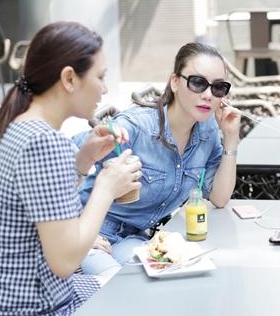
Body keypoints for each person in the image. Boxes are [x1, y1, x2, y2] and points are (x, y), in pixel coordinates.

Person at [0, 21, 142, 316]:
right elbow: (65, 260)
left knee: (124, 286)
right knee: (142, 307)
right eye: (100, 77)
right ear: (69, 78)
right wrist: (106, 188)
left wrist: (84, 160)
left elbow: (38, 206)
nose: (104, 89)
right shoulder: (45, 143)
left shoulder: (9, 124)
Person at [74, 42, 241, 277]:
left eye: (218, 87)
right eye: (197, 83)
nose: (208, 95)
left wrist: (231, 138)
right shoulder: (136, 126)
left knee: (174, 277)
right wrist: (77, 231)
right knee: (122, 287)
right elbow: (59, 163)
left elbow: (219, 198)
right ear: (175, 82)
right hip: (91, 235)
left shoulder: (208, 130)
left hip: (135, 238)